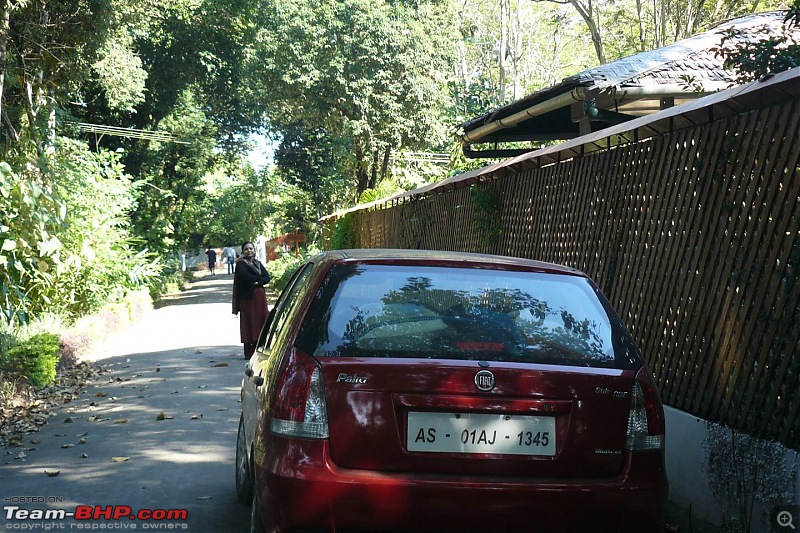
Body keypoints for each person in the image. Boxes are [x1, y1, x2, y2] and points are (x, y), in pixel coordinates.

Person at [232, 241, 271, 359]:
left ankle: (260, 348)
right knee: (250, 322)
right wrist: (259, 280)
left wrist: (257, 282)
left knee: (261, 321)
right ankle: (249, 352)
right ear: (242, 252)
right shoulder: (241, 264)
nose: (249, 251)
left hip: (260, 299)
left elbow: (267, 277)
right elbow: (246, 277)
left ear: (254, 250)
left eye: (251, 249)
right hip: (247, 299)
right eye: (246, 249)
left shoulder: (257, 263)